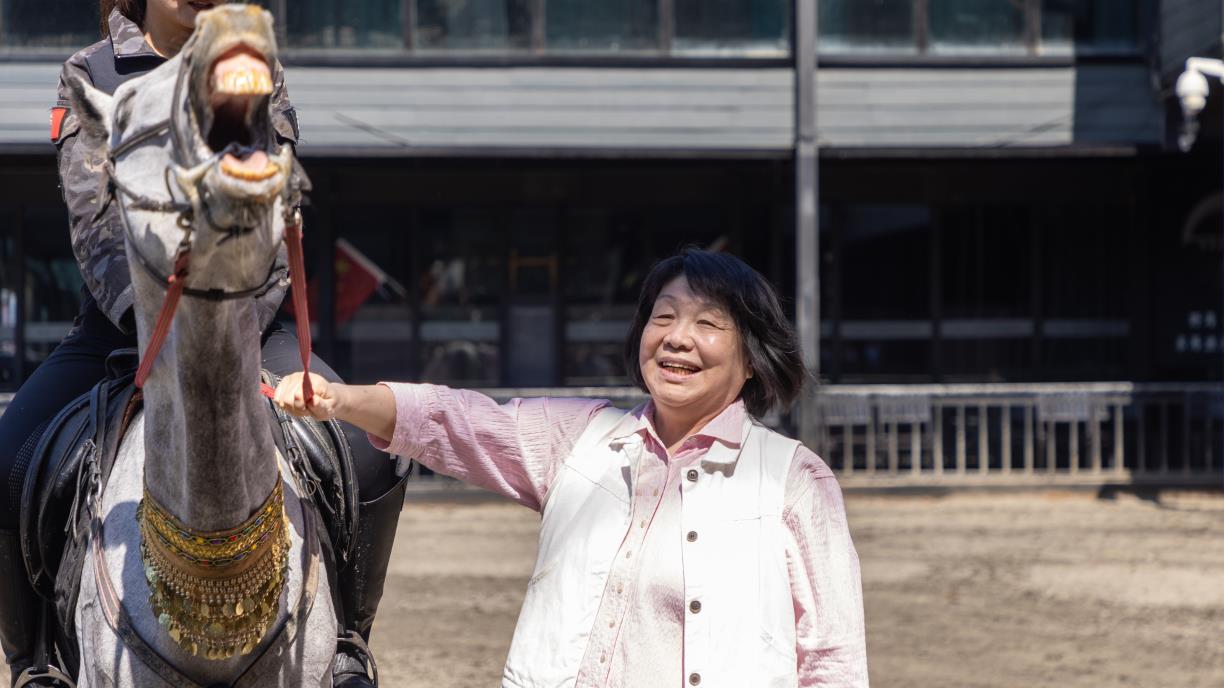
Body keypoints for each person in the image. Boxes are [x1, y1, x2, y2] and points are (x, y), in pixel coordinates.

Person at [0, 2, 406, 686]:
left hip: (248, 329)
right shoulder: (91, 72)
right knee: (8, 456)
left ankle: (348, 642)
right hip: (117, 334)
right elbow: (95, 225)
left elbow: (271, 210)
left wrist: (224, 328)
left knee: (370, 452)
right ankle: (33, 661)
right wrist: (158, 327)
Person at [276, 248, 870, 687]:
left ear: (753, 356)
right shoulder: (580, 438)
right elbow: (452, 419)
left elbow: (833, 663)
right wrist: (339, 399)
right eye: (663, 318)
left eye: (708, 324)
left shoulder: (795, 482)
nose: (676, 339)